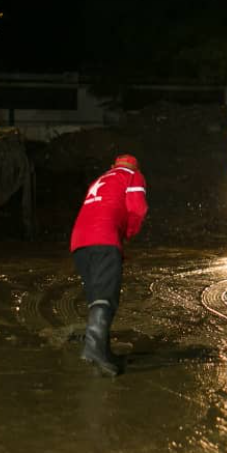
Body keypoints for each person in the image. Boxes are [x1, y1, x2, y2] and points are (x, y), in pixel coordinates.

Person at [70, 154, 148, 376]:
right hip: (103, 238)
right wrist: (128, 234)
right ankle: (93, 350)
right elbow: (137, 209)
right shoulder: (132, 175)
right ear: (135, 166)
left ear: (113, 166)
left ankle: (102, 351)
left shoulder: (100, 179)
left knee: (97, 297)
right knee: (106, 296)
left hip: (79, 242)